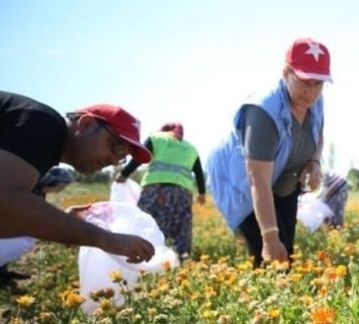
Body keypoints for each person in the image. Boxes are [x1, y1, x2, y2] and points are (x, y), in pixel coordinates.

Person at [205, 38, 330, 266]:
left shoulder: (315, 101)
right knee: (269, 254)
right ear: (286, 73)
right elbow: (258, 182)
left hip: (285, 181)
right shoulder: (263, 111)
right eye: (304, 81)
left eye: (318, 84)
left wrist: (315, 162)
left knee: (286, 253)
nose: (311, 92)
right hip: (244, 183)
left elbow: (318, 132)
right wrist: (270, 238)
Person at [0, 92, 156, 264]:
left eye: (122, 157)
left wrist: (66, 224)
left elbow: (11, 219)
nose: (114, 161)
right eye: (116, 147)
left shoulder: (39, 155)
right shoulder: (43, 124)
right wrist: (104, 239)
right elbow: (6, 201)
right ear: (86, 124)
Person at [116, 122, 206, 259]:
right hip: (183, 193)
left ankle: (146, 257)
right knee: (181, 226)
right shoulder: (190, 148)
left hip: (156, 190)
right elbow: (199, 172)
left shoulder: (155, 139)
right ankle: (181, 258)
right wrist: (202, 193)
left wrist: (124, 174)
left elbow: (138, 159)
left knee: (148, 222)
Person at [0, 167, 75, 293]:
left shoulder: (40, 192)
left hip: (14, 230)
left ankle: (3, 271)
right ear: (52, 181)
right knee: (19, 242)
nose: (61, 190)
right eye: (61, 186)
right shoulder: (30, 190)